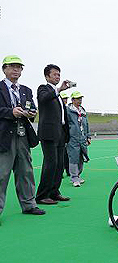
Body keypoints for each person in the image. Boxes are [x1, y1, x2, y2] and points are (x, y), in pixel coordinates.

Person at [0, 55, 45, 217]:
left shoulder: (26, 90)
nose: (16, 70)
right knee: (2, 173)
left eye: (19, 67)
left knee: (26, 171)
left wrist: (32, 112)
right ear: (4, 69)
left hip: (23, 135)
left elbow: (31, 107)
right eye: (12, 66)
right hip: (4, 136)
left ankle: (29, 205)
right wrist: (10, 112)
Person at [36, 64, 71, 204]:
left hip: (60, 132)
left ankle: (54, 192)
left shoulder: (58, 95)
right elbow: (44, 99)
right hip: (48, 133)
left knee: (59, 164)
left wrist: (66, 132)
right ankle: (42, 195)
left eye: (59, 74)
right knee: (50, 164)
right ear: (47, 76)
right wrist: (59, 89)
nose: (58, 77)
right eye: (55, 74)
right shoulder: (43, 89)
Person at [66, 91, 91, 187]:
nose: (80, 100)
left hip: (82, 137)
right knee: (73, 157)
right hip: (73, 138)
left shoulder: (83, 110)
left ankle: (78, 175)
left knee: (82, 157)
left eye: (80, 98)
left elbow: (86, 124)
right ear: (72, 100)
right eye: (77, 98)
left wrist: (88, 136)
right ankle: (74, 178)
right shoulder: (68, 110)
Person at [60, 91, 70, 177]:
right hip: (60, 135)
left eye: (66, 99)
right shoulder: (59, 109)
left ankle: (68, 170)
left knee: (67, 154)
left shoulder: (67, 109)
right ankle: (61, 171)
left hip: (66, 135)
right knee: (62, 154)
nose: (65, 100)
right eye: (64, 99)